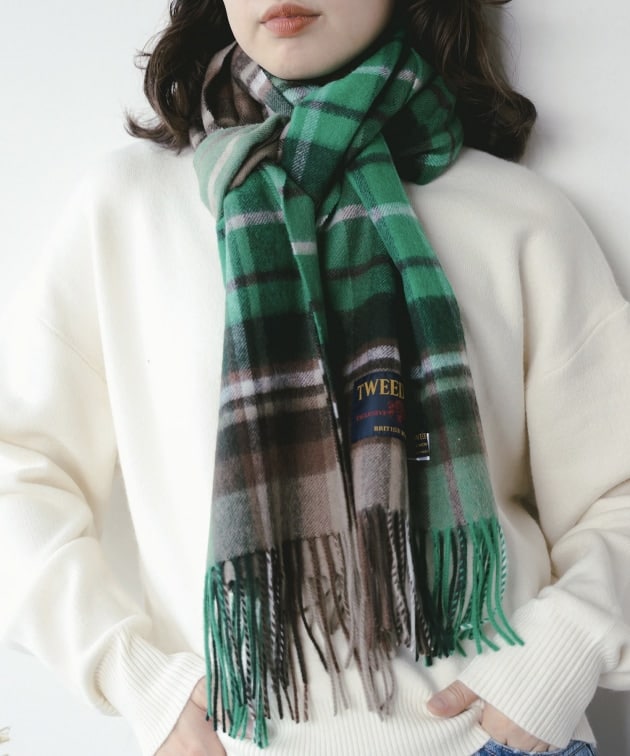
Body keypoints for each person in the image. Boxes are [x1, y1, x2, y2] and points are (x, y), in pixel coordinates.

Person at [1, 1, 629, 755]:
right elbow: (17, 472)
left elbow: (618, 489)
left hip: (491, 740)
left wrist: (563, 651)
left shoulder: (516, 216)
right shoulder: (129, 211)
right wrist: (133, 675)